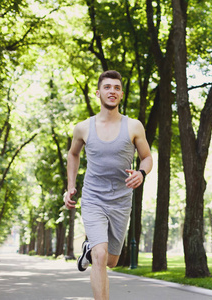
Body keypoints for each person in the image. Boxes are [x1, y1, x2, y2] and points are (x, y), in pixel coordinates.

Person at [64, 70, 152, 300]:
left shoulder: (134, 127)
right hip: (93, 198)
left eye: (116, 88)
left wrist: (142, 173)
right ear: (98, 93)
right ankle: (93, 251)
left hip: (121, 201)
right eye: (107, 87)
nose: (111, 91)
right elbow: (72, 155)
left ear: (121, 94)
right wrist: (70, 186)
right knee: (101, 255)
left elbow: (147, 157)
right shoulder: (83, 128)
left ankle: (88, 250)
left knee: (111, 260)